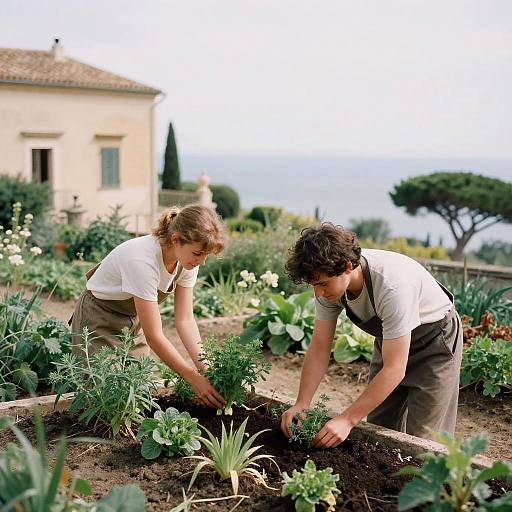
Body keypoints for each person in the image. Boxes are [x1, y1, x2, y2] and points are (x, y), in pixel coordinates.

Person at [281, 223, 462, 447]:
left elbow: (395, 368)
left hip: (435, 345)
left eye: (322, 284)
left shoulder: (391, 285)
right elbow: (319, 348)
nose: (318, 293)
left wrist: (347, 419)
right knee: (380, 429)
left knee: (423, 442)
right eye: (313, 285)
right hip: (391, 342)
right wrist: (302, 402)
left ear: (348, 266)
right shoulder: (328, 287)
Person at [70, 204, 227, 410]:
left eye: (206, 255)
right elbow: (154, 336)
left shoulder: (187, 260)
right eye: (198, 254)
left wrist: (206, 369)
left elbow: (185, 320)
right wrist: (193, 379)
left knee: (139, 391)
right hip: (98, 319)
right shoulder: (142, 260)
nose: (202, 262)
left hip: (133, 320)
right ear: (176, 239)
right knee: (105, 398)